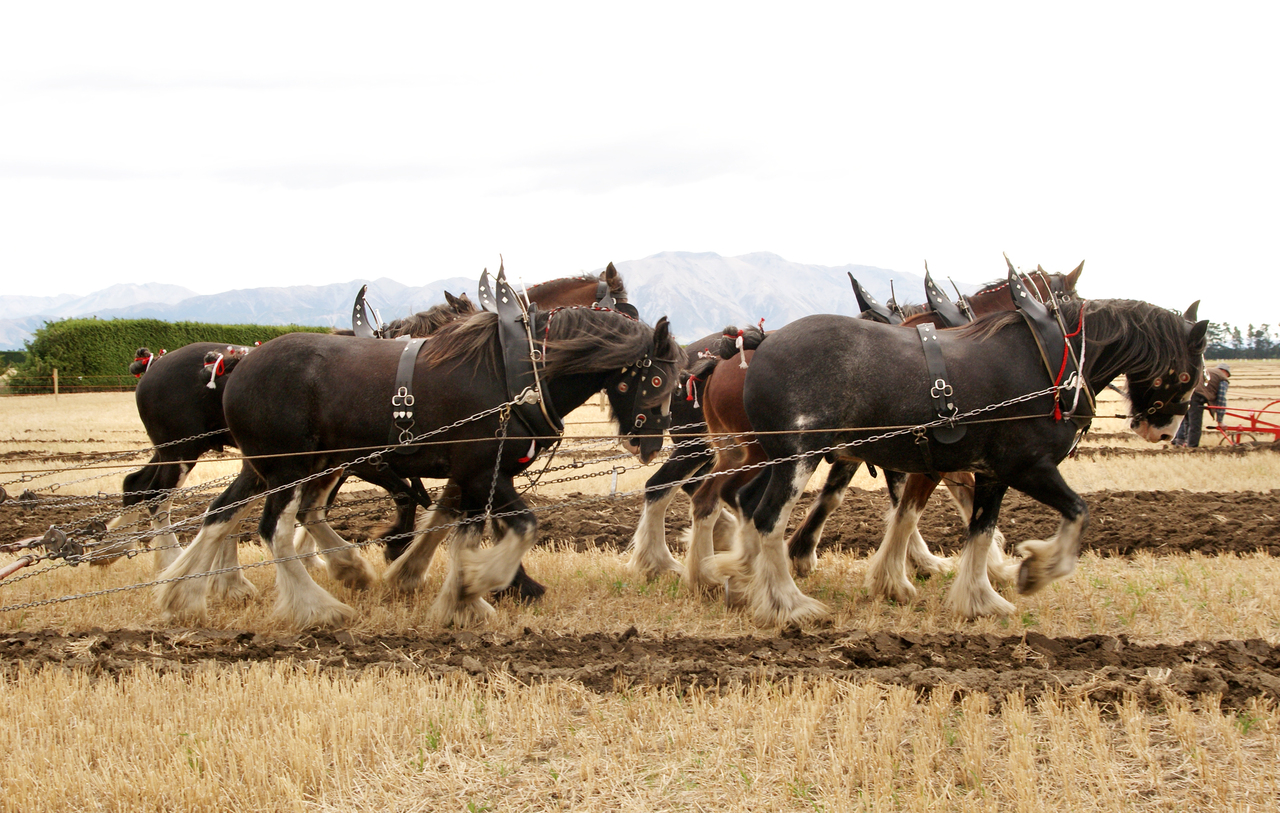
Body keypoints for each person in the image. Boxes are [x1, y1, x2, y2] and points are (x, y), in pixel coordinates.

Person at [1173, 363, 1231, 447]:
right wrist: (1220, 420)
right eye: (1227, 375)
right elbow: (1221, 398)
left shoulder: (1208, 371)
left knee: (1186, 420)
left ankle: (1180, 441)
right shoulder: (1222, 377)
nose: (1227, 377)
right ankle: (1192, 447)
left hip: (1184, 394)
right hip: (1196, 397)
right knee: (1195, 424)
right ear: (1224, 371)